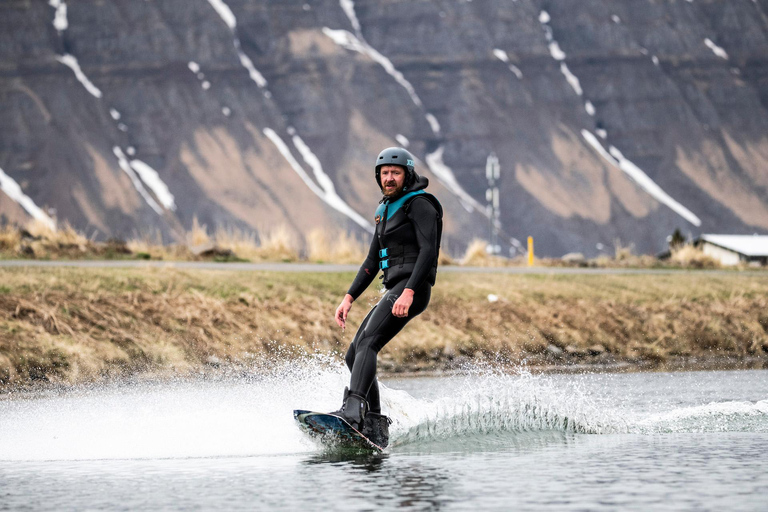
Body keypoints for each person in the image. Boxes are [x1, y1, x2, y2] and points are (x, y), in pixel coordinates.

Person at [330, 147, 443, 448]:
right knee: (354, 354)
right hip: (395, 288)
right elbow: (372, 261)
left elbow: (428, 252)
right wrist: (349, 297)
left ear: (407, 174)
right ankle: (374, 423)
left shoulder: (420, 204)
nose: (389, 178)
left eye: (395, 172)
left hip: (412, 288)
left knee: (369, 342)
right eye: (384, 173)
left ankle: (353, 411)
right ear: (378, 176)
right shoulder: (385, 209)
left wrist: (409, 291)